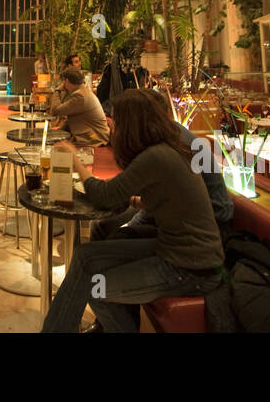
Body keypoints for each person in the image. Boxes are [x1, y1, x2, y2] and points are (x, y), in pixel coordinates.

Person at [42, 88, 224, 332]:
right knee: (86, 257)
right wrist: (141, 202)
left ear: (132, 123)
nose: (113, 128)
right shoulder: (165, 149)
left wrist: (75, 160)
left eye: (116, 121)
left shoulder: (157, 156)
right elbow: (170, 199)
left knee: (96, 288)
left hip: (190, 268)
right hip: (173, 249)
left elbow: (104, 196)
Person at [91, 91, 233, 241]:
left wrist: (132, 223)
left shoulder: (171, 145)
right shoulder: (166, 133)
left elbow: (168, 202)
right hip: (178, 210)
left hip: (210, 222)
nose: (115, 127)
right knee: (103, 226)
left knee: (115, 235)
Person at [50, 67, 110, 146]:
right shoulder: (83, 91)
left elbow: (55, 110)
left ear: (66, 81)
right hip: (92, 135)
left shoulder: (80, 96)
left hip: (95, 138)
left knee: (60, 150)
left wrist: (57, 90)